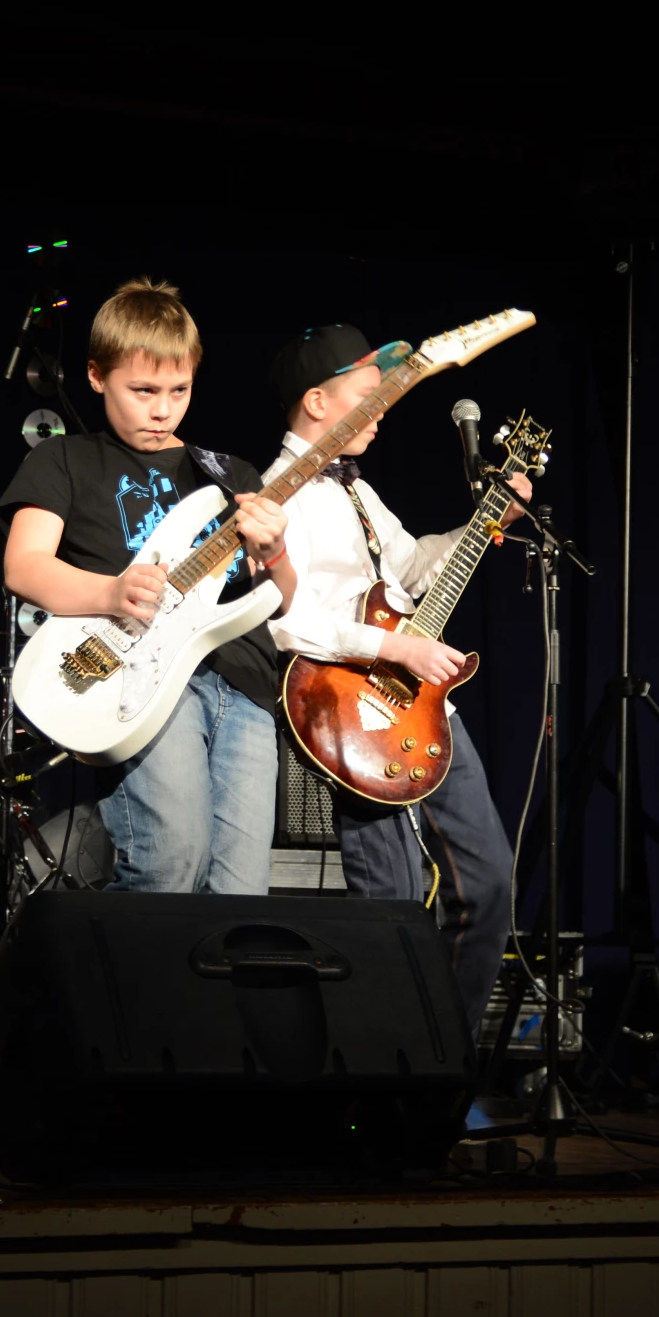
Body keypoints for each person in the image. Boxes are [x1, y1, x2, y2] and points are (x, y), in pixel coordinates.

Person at [262, 323, 528, 1035]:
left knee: (491, 881)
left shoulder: (362, 492)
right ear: (318, 402)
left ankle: (445, 1052)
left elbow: (410, 572)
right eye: (366, 398)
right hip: (349, 707)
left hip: (419, 698)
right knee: (392, 901)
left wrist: (485, 521)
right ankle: (383, 1073)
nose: (381, 413)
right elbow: (285, 622)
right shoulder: (276, 495)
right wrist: (395, 648)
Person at [0, 279, 296, 893]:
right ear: (96, 376)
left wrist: (276, 550)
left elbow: (281, 596)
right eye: (143, 391)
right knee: (170, 862)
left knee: (242, 890)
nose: (163, 410)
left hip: (243, 684)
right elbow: (23, 567)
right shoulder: (64, 462)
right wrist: (111, 593)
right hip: (143, 681)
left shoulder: (228, 472)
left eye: (179, 390)